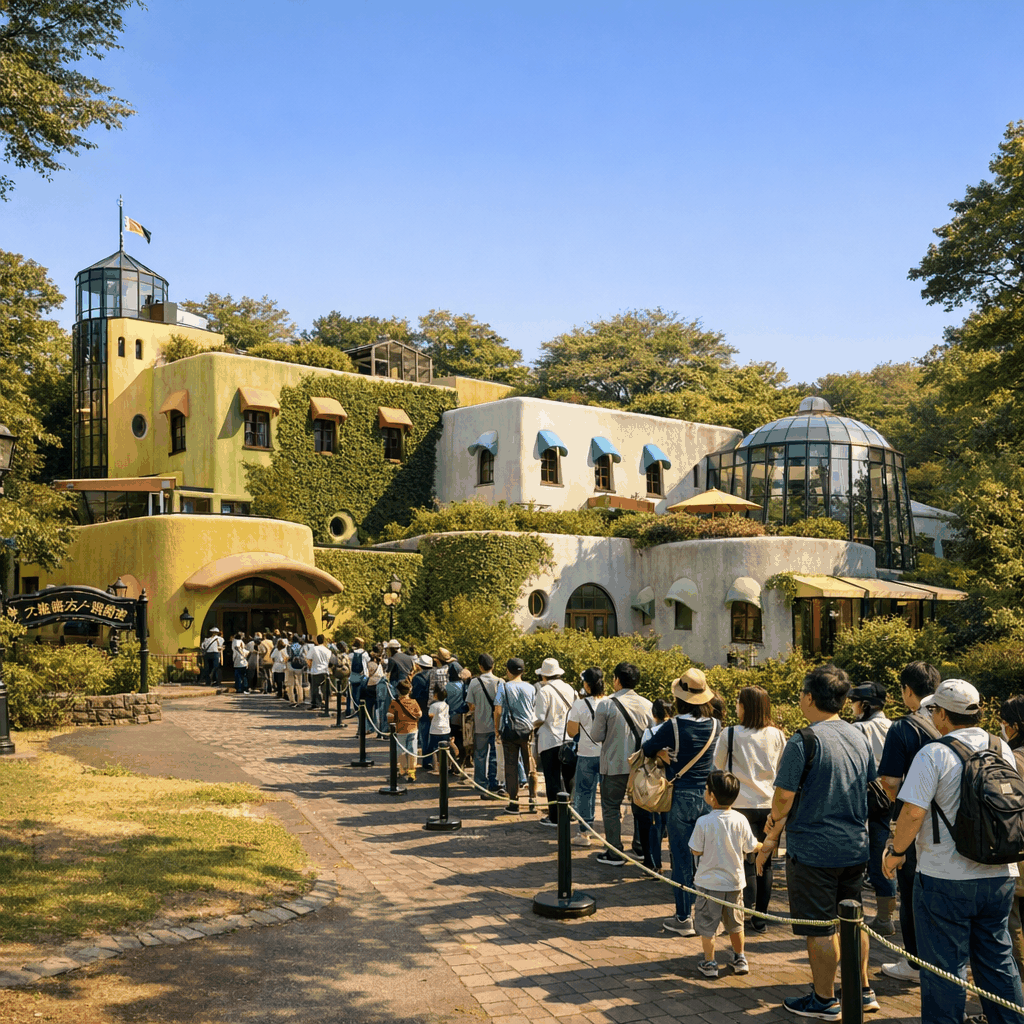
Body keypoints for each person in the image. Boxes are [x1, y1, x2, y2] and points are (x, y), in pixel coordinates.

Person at [883, 679, 1024, 1024]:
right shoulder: (1002, 749)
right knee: (997, 961)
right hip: (1000, 873)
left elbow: (912, 813)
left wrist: (896, 852)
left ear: (943, 714)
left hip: (944, 876)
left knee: (944, 968)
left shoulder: (934, 753)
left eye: (933, 710)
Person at [763, 664, 878, 1019]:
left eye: (801, 693)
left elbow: (783, 797)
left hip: (814, 850)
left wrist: (773, 825)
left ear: (810, 697)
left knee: (821, 927)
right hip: (855, 845)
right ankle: (862, 990)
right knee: (854, 920)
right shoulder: (859, 736)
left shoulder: (804, 741)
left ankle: (824, 999)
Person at [876, 661, 941, 983]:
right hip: (958, 825)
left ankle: (915, 963)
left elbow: (890, 782)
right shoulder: (955, 720)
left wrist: (893, 814)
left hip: (916, 824)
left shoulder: (904, 727)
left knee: (912, 892)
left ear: (907, 690)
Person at [643, 668, 719, 932]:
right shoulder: (716, 725)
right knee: (706, 858)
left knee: (681, 856)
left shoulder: (673, 725)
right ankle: (708, 916)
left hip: (680, 795)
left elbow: (647, 748)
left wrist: (664, 754)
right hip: (708, 796)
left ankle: (684, 916)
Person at [713, 684, 786, 933]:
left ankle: (745, 911)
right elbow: (783, 770)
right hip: (769, 806)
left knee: (746, 861)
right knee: (766, 862)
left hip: (739, 806)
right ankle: (760, 918)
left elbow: (718, 767)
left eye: (738, 703)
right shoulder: (777, 735)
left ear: (744, 706)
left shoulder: (730, 734)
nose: (736, 707)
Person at [691, 770, 761, 978]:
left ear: (712, 796)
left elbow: (695, 850)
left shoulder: (703, 822)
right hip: (734, 883)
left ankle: (710, 962)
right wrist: (765, 846)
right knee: (736, 924)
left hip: (708, 883)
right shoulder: (741, 819)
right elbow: (750, 846)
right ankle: (740, 958)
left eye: (706, 789)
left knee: (707, 926)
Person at [592, 662, 654, 866]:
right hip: (640, 767)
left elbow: (596, 735)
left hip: (614, 765)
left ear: (617, 680)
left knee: (611, 807)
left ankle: (614, 852)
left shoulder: (606, 704)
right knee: (640, 807)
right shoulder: (647, 705)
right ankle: (640, 847)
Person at [849, 680, 897, 936]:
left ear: (865, 705)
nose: (852, 707)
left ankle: (852, 912)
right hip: (890, 798)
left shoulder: (858, 729)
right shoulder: (895, 726)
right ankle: (886, 917)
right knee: (882, 855)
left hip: (864, 798)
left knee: (857, 855)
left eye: (855, 702)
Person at [533, 658, 576, 827]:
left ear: (543, 675)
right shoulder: (571, 689)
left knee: (552, 780)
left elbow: (539, 717)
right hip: (568, 739)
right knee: (569, 778)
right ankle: (570, 812)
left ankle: (555, 817)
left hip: (550, 740)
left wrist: (531, 725)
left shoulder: (544, 691)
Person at [494, 657, 539, 815]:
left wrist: (497, 730)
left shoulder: (503, 687)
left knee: (511, 767)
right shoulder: (531, 688)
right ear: (523, 671)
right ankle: (533, 799)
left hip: (510, 730)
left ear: (508, 670)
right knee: (530, 765)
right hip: (527, 730)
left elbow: (498, 710)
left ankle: (514, 803)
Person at [567, 668, 604, 846]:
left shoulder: (579, 705)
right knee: (607, 796)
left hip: (586, 753)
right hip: (606, 755)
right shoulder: (609, 702)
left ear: (587, 685)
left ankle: (584, 833)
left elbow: (571, 731)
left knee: (584, 793)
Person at [466, 654, 501, 796]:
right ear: (493, 666)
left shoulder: (474, 682)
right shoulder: (500, 682)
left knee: (480, 755)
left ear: (480, 666)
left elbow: (471, 706)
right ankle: (494, 782)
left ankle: (480, 783)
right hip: (497, 725)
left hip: (480, 725)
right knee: (495, 754)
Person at [387, 678, 422, 783]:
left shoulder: (394, 703)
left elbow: (390, 716)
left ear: (398, 691)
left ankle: (402, 769)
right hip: (413, 729)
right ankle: (411, 772)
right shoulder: (414, 702)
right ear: (409, 690)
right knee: (412, 751)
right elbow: (419, 714)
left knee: (401, 751)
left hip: (400, 730)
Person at [411, 655, 434, 771]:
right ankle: (437, 761)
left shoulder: (417, 678)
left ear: (420, 665)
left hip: (422, 708)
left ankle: (427, 761)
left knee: (424, 736)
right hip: (434, 707)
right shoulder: (435, 675)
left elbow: (414, 694)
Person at [428, 679, 459, 760]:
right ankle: (446, 762)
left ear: (436, 695)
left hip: (435, 730)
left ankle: (435, 764)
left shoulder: (433, 706)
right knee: (445, 749)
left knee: (434, 749)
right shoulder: (446, 705)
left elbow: (430, 715)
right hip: (446, 730)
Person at [308, 634, 331, 711]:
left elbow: (308, 659)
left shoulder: (313, 649)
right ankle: (325, 703)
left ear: (317, 641)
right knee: (325, 689)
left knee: (315, 689)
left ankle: (316, 703)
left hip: (315, 670)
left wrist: (310, 667)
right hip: (325, 671)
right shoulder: (327, 650)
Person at [347, 637, 368, 717]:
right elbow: (368, 661)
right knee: (362, 694)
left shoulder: (352, 654)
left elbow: (349, 659)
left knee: (354, 694)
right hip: (363, 676)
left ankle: (355, 709)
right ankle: (362, 710)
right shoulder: (365, 653)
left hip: (353, 676)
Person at [284, 634, 305, 706]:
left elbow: (289, 656)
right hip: (299, 666)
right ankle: (300, 700)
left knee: (291, 684)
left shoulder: (289, 646)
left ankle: (292, 700)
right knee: (299, 683)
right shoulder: (301, 647)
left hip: (291, 666)